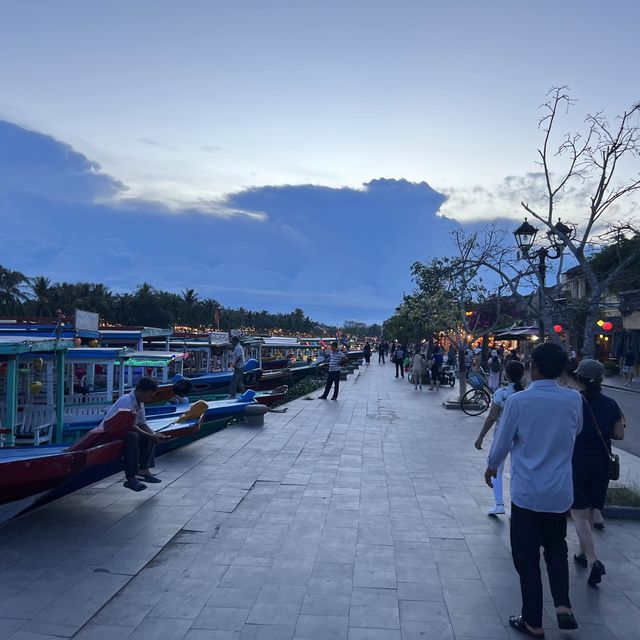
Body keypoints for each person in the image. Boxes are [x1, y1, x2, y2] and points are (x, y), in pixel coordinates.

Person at [485, 343, 582, 637]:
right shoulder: (574, 400)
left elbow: (503, 441)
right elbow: (575, 431)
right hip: (559, 491)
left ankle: (533, 621)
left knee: (526, 557)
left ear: (534, 366)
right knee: (556, 549)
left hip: (528, 492)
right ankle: (563, 606)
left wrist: (491, 465)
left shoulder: (519, 402)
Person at [571, 359, 625, 587]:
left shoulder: (573, 402)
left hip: (577, 461)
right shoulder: (611, 404)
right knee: (592, 510)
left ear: (579, 377)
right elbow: (619, 435)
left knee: (579, 513)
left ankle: (592, 558)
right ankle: (583, 553)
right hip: (601, 463)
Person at [474, 360, 525, 516]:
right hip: (522, 438)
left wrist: (481, 436)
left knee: (496, 468)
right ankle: (516, 505)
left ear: (506, 374)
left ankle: (499, 504)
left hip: (502, 436)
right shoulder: (525, 394)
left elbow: (491, 418)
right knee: (518, 471)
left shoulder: (501, 393)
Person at [101, 376, 169, 492]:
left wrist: (154, 435)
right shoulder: (126, 401)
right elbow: (129, 426)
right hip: (109, 434)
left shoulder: (140, 403)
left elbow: (142, 424)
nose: (150, 398)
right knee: (133, 436)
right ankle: (131, 477)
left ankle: (144, 469)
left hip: (123, 432)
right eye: (149, 395)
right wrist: (150, 435)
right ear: (142, 391)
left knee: (149, 435)